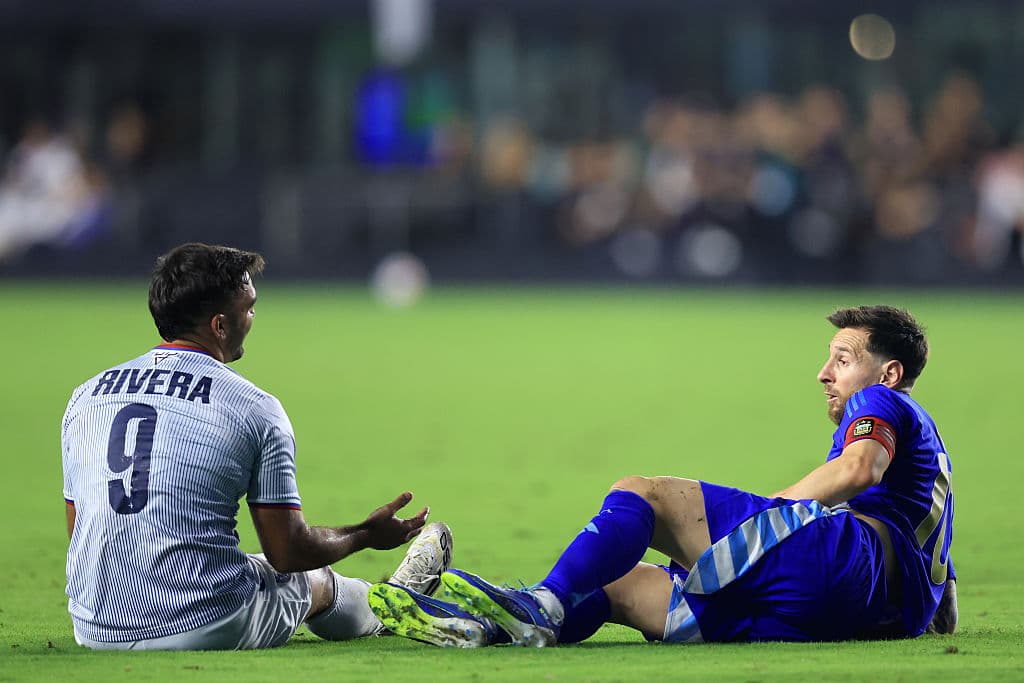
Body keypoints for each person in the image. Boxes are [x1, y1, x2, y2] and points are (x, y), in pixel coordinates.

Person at [367, 305, 956, 647]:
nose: (824, 373)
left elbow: (859, 467)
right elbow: (945, 607)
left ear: (889, 373)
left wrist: (781, 505)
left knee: (643, 493)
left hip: (844, 569)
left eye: (843, 360)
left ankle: (541, 605)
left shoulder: (883, 404)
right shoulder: (930, 468)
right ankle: (481, 629)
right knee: (615, 587)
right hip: (856, 614)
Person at [61, 242, 453, 650]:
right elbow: (288, 552)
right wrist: (364, 534)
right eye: (248, 308)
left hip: (93, 627)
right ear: (219, 325)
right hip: (200, 624)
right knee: (309, 580)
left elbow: (81, 530)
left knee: (244, 564)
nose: (252, 318)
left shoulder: (85, 397)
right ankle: (387, 605)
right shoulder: (252, 406)